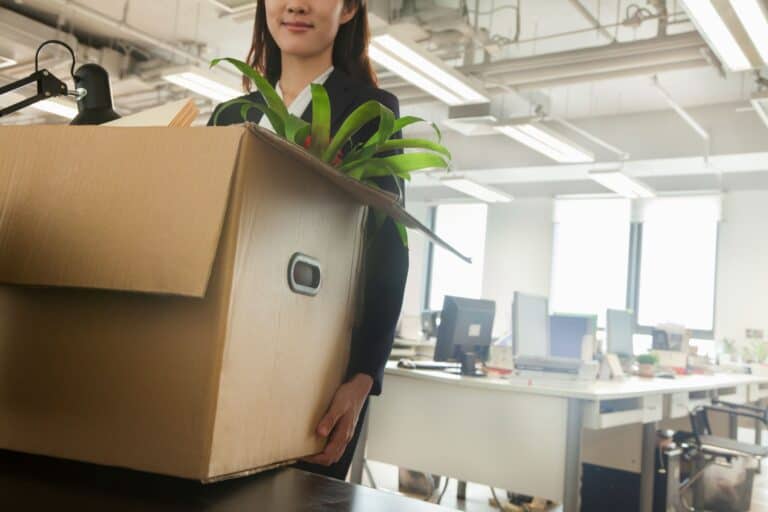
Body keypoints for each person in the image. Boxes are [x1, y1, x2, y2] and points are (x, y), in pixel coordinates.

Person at [207, 0, 408, 480]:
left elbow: (389, 249)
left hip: (319, 365)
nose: (295, 4)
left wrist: (362, 377)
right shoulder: (231, 115)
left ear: (347, 9)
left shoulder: (370, 112)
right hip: (228, 353)